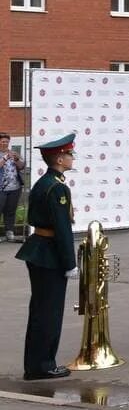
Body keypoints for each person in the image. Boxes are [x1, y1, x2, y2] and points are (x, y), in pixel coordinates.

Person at [17, 133, 78, 380]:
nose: (72, 158)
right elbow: (62, 229)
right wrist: (70, 263)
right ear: (60, 158)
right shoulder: (57, 188)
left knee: (40, 310)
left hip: (39, 249)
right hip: (49, 253)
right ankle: (43, 365)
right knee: (49, 312)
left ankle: (36, 363)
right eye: (70, 154)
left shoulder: (45, 183)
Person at [1, 131, 26, 241]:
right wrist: (6, 158)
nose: (5, 143)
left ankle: (9, 233)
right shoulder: (5, 155)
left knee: (10, 211)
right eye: (2, 141)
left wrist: (16, 159)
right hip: (1, 188)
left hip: (15, 187)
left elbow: (21, 166)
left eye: (6, 141)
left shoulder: (13, 153)